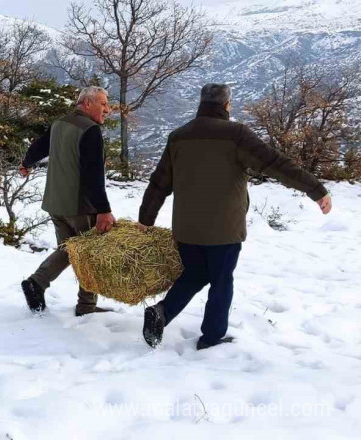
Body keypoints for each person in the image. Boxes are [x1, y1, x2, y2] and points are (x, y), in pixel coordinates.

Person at [138, 83, 332, 350]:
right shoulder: (236, 135)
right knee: (221, 280)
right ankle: (212, 337)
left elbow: (159, 182)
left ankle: (162, 312)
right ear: (226, 105)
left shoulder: (179, 136)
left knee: (194, 274)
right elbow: (276, 163)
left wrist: (145, 219)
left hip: (187, 228)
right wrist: (315, 188)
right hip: (224, 229)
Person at [19, 86, 116, 316]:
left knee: (70, 250)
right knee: (89, 253)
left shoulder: (60, 123)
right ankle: (86, 306)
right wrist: (103, 210)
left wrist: (26, 163)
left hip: (56, 202)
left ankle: (37, 283)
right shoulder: (90, 130)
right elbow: (94, 175)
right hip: (80, 206)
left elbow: (39, 146)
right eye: (103, 104)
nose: (107, 109)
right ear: (87, 103)